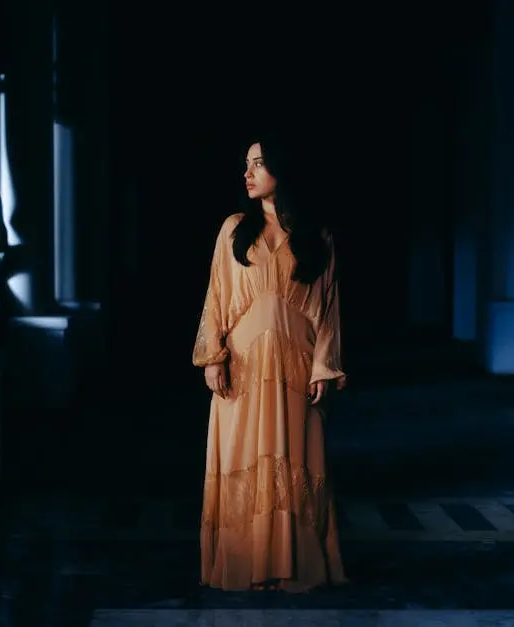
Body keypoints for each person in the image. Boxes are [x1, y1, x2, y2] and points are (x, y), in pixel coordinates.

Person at [193, 134, 348, 593]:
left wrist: (323, 366)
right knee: (244, 456)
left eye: (258, 164)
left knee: (294, 459)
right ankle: (244, 564)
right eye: (246, 164)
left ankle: (294, 563)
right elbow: (216, 296)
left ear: (283, 169)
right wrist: (212, 357)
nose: (248, 173)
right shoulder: (234, 229)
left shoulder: (317, 238)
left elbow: (328, 309)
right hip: (242, 368)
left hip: (295, 367)